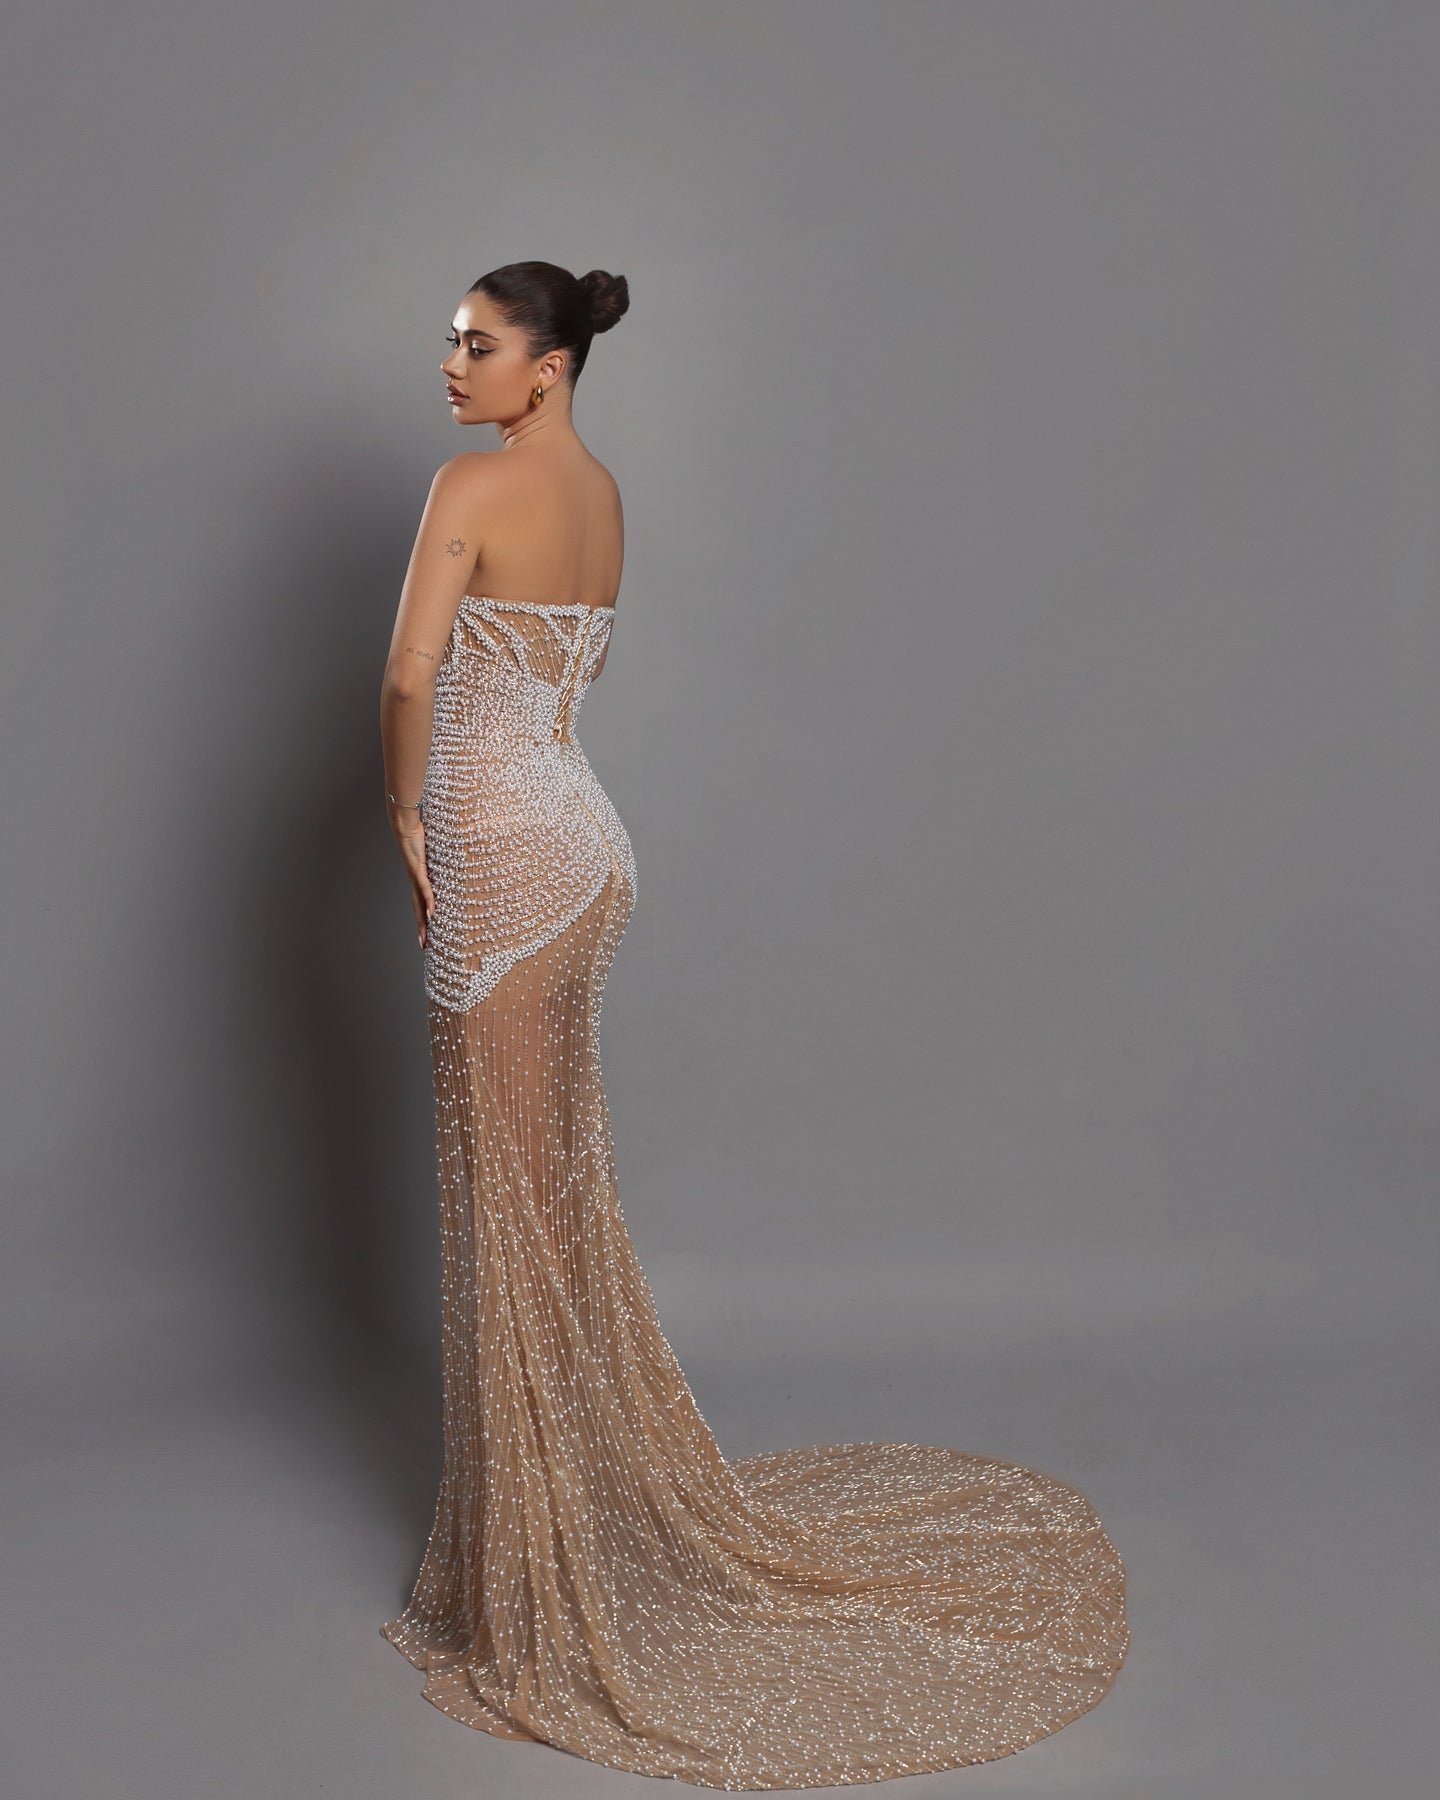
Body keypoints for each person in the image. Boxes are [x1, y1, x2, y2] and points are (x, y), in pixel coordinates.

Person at [377, 260, 1129, 1789]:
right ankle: (561, 1537)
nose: (451, 363)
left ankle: (549, 1585)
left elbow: (409, 674)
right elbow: (566, 677)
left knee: (515, 1211)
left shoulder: (472, 485)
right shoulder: (604, 499)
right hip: (585, 849)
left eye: (477, 343)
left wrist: (403, 811)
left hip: (502, 862)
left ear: (548, 365)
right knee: (546, 1202)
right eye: (451, 342)